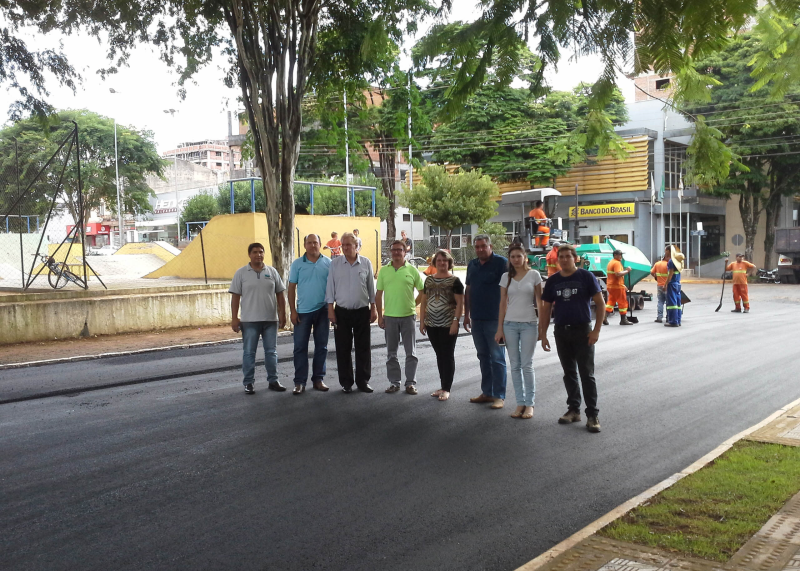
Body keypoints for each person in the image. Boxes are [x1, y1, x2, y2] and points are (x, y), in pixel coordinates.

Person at [539, 243, 605, 432]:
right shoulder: (553, 281)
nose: (565, 260)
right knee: (569, 373)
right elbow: (545, 309)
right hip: (561, 331)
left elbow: (600, 304)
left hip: (583, 331)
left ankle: (592, 415)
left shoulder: (586, 277)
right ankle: (573, 410)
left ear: (575, 258)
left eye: (568, 256)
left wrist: (596, 331)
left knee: (586, 374)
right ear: (557, 259)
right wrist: (542, 333)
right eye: (561, 257)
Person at [229, 243, 287, 395]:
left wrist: (283, 314)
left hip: (270, 320)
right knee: (249, 353)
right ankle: (248, 383)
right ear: (249, 254)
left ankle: (273, 381)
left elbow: (280, 294)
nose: (258, 255)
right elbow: (235, 297)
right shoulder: (241, 273)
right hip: (249, 321)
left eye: (261, 252)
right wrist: (234, 318)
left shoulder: (272, 272)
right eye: (255, 252)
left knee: (271, 352)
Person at [326, 232, 377, 392]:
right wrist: (330, 309)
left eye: (349, 244)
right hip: (341, 312)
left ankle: (363, 381)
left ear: (356, 246)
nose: (346, 247)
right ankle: (346, 383)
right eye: (344, 245)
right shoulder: (335, 264)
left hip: (362, 311)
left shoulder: (366, 263)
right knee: (343, 348)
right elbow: (330, 287)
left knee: (363, 347)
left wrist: (373, 308)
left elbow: (371, 288)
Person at [496, 244, 543, 420]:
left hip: (530, 323)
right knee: (514, 365)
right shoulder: (505, 277)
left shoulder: (534, 275)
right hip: (509, 325)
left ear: (525, 257)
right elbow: (502, 303)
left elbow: (540, 302)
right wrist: (500, 328)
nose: (516, 259)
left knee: (527, 364)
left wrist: (542, 327)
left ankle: (530, 404)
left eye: (519, 256)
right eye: (512, 257)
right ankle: (520, 402)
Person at [464, 234, 508, 409]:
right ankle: (487, 392)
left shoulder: (501, 263)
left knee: (497, 358)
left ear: (490, 246)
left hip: (495, 319)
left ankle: (499, 396)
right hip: (477, 318)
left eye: (483, 246)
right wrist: (466, 314)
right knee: (483, 356)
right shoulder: (472, 265)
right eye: (477, 247)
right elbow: (469, 289)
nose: (480, 249)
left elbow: (508, 291)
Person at [376, 240, 425, 394]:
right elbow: (378, 295)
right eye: (394, 250)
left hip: (408, 317)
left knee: (411, 353)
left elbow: (423, 292)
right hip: (389, 317)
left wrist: (413, 304)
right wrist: (379, 316)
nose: (396, 252)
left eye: (399, 250)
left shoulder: (412, 270)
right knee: (391, 353)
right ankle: (394, 383)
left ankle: (410, 383)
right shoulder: (384, 271)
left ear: (405, 252)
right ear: (390, 252)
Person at [288, 233, 332, 394]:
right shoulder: (297, 264)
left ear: (320, 244)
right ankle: (299, 382)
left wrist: (332, 309)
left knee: (322, 347)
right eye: (309, 243)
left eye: (315, 242)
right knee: (300, 348)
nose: (313, 245)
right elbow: (291, 288)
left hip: (323, 311)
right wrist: (293, 311)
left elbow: (333, 288)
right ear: (304, 245)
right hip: (303, 312)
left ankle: (318, 379)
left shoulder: (328, 263)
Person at [419, 249, 464, 401]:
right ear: (435, 263)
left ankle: (446, 388)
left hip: (448, 324)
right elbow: (424, 301)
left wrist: (455, 322)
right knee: (439, 355)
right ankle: (442, 385)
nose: (442, 263)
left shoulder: (455, 281)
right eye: (439, 260)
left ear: (449, 263)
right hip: (431, 324)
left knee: (447, 354)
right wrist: (422, 321)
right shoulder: (429, 280)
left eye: (444, 260)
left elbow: (459, 303)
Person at [605, 250, 633, 326]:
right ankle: (623, 319)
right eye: (619, 255)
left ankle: (604, 317)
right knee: (622, 302)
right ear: (615, 255)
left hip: (611, 286)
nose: (621, 256)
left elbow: (614, 276)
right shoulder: (617, 263)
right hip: (617, 286)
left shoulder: (611, 262)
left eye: (621, 255)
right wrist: (627, 271)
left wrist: (623, 285)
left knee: (611, 301)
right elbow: (618, 274)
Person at [663, 245, 685, 327]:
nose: (665, 252)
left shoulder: (671, 262)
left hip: (672, 284)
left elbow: (670, 274)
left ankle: (673, 321)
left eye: (666, 250)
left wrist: (665, 284)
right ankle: (678, 320)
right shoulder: (678, 261)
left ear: (669, 251)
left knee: (672, 303)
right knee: (678, 303)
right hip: (678, 284)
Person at [650, 254, 669, 323]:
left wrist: (656, 277)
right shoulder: (668, 265)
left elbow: (651, 272)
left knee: (660, 302)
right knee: (668, 302)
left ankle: (659, 317)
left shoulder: (657, 264)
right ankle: (668, 318)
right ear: (666, 257)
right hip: (667, 286)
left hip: (659, 285)